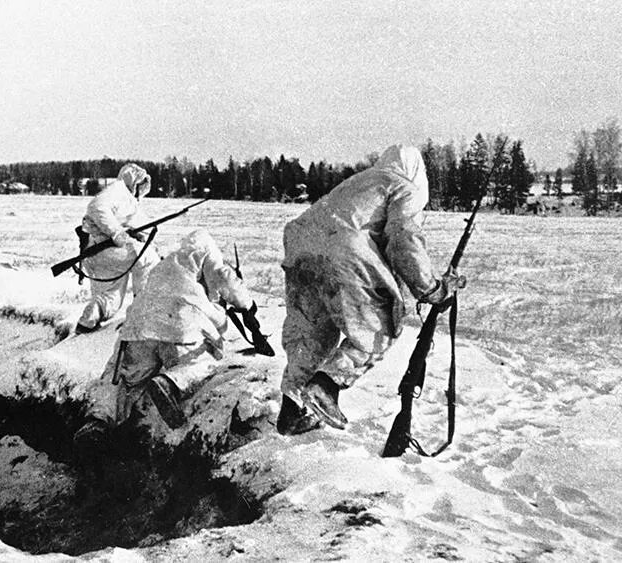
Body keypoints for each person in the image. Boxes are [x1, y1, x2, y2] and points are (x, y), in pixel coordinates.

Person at [277, 144, 466, 435]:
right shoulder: (404, 187)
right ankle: (326, 387)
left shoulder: (360, 181)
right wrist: (433, 290)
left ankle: (291, 411)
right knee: (377, 327)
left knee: (310, 333)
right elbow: (404, 241)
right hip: (342, 249)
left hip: (300, 247)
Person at [74, 229, 255, 446]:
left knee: (122, 377)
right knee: (202, 364)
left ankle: (98, 422)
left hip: (139, 329)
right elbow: (226, 279)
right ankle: (170, 382)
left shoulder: (164, 264)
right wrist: (247, 306)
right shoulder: (208, 253)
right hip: (180, 327)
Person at [74, 163, 161, 333]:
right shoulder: (118, 190)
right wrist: (117, 234)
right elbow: (96, 208)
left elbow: (139, 227)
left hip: (99, 255)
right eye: (140, 183)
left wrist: (142, 238)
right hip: (106, 249)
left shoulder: (129, 200)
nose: (141, 188)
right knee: (148, 260)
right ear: (133, 180)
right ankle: (143, 313)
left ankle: (90, 317)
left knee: (111, 298)